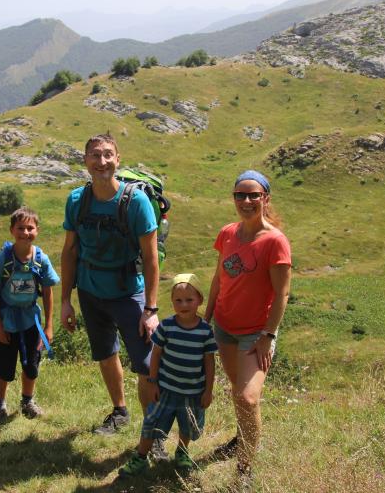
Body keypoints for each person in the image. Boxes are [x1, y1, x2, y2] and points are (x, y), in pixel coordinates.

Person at [60, 133, 161, 441]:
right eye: (95, 155)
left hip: (128, 293)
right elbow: (70, 251)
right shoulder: (77, 200)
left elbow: (151, 257)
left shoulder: (136, 202)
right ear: (85, 161)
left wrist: (151, 309)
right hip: (90, 292)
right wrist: (66, 299)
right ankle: (119, 410)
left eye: (107, 155)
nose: (101, 161)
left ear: (118, 160)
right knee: (105, 353)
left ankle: (153, 432)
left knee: (146, 366)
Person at [204, 170, 292, 490]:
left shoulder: (275, 241)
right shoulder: (227, 233)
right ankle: (241, 438)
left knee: (247, 397)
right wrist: (206, 318)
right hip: (224, 326)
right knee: (237, 392)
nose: (247, 201)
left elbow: (282, 293)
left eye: (254, 195)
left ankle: (244, 468)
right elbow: (218, 279)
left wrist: (268, 336)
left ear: (265, 199)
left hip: (256, 333)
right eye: (240, 195)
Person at [118, 273, 217, 478]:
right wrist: (153, 382)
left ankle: (182, 452)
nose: (184, 305)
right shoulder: (167, 326)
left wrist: (208, 391)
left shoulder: (206, 331)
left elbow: (209, 362)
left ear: (200, 300)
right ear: (172, 301)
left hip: (193, 392)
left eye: (189, 300)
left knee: (187, 426)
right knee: (151, 423)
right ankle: (141, 457)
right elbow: (156, 354)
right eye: (178, 300)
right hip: (166, 390)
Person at [0, 206, 59, 425]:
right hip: (5, 320)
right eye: (20, 228)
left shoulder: (41, 259)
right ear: (11, 230)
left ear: (37, 230)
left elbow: (48, 291)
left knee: (32, 364)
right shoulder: (3, 259)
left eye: (30, 228)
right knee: (2, 364)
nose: (25, 233)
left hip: (31, 321)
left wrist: (49, 326)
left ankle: (27, 401)